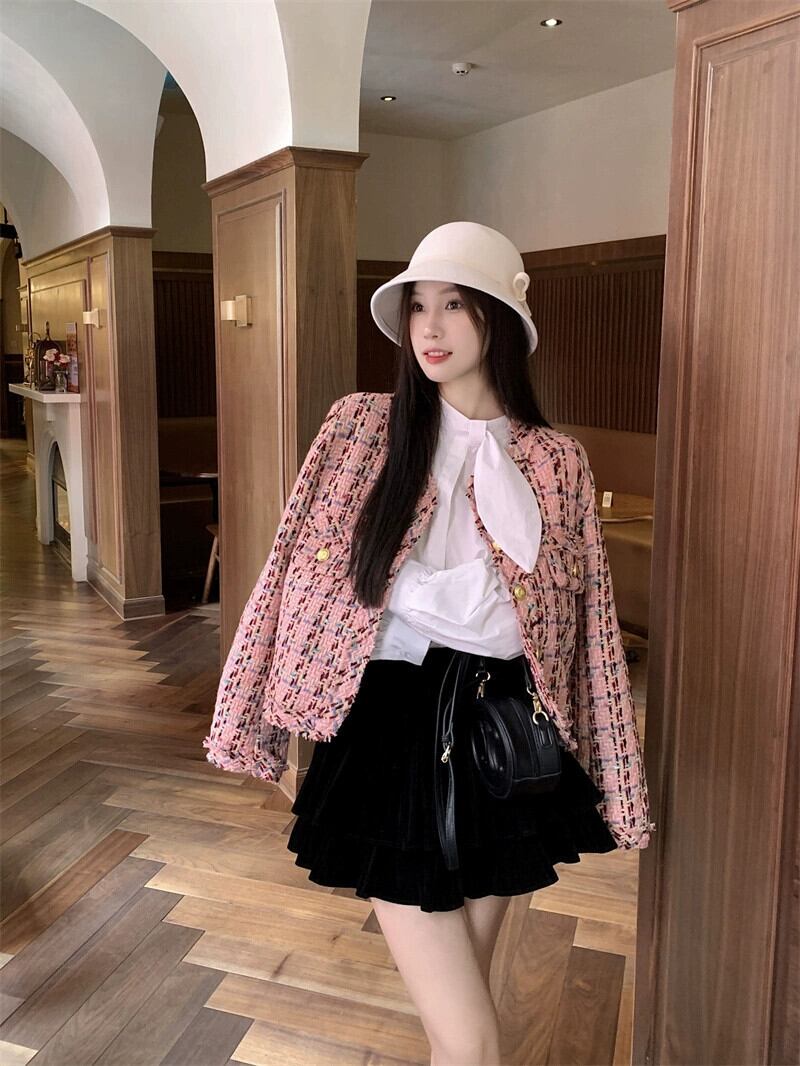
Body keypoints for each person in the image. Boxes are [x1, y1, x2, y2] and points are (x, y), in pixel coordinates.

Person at [204, 221, 655, 1066]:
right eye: (418, 306)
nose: (430, 328)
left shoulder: (555, 462)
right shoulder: (359, 429)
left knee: (462, 1021)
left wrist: (615, 775)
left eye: (453, 304)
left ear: (499, 318)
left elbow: (588, 631)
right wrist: (249, 713)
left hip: (505, 737)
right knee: (472, 1035)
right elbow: (289, 570)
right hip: (390, 732)